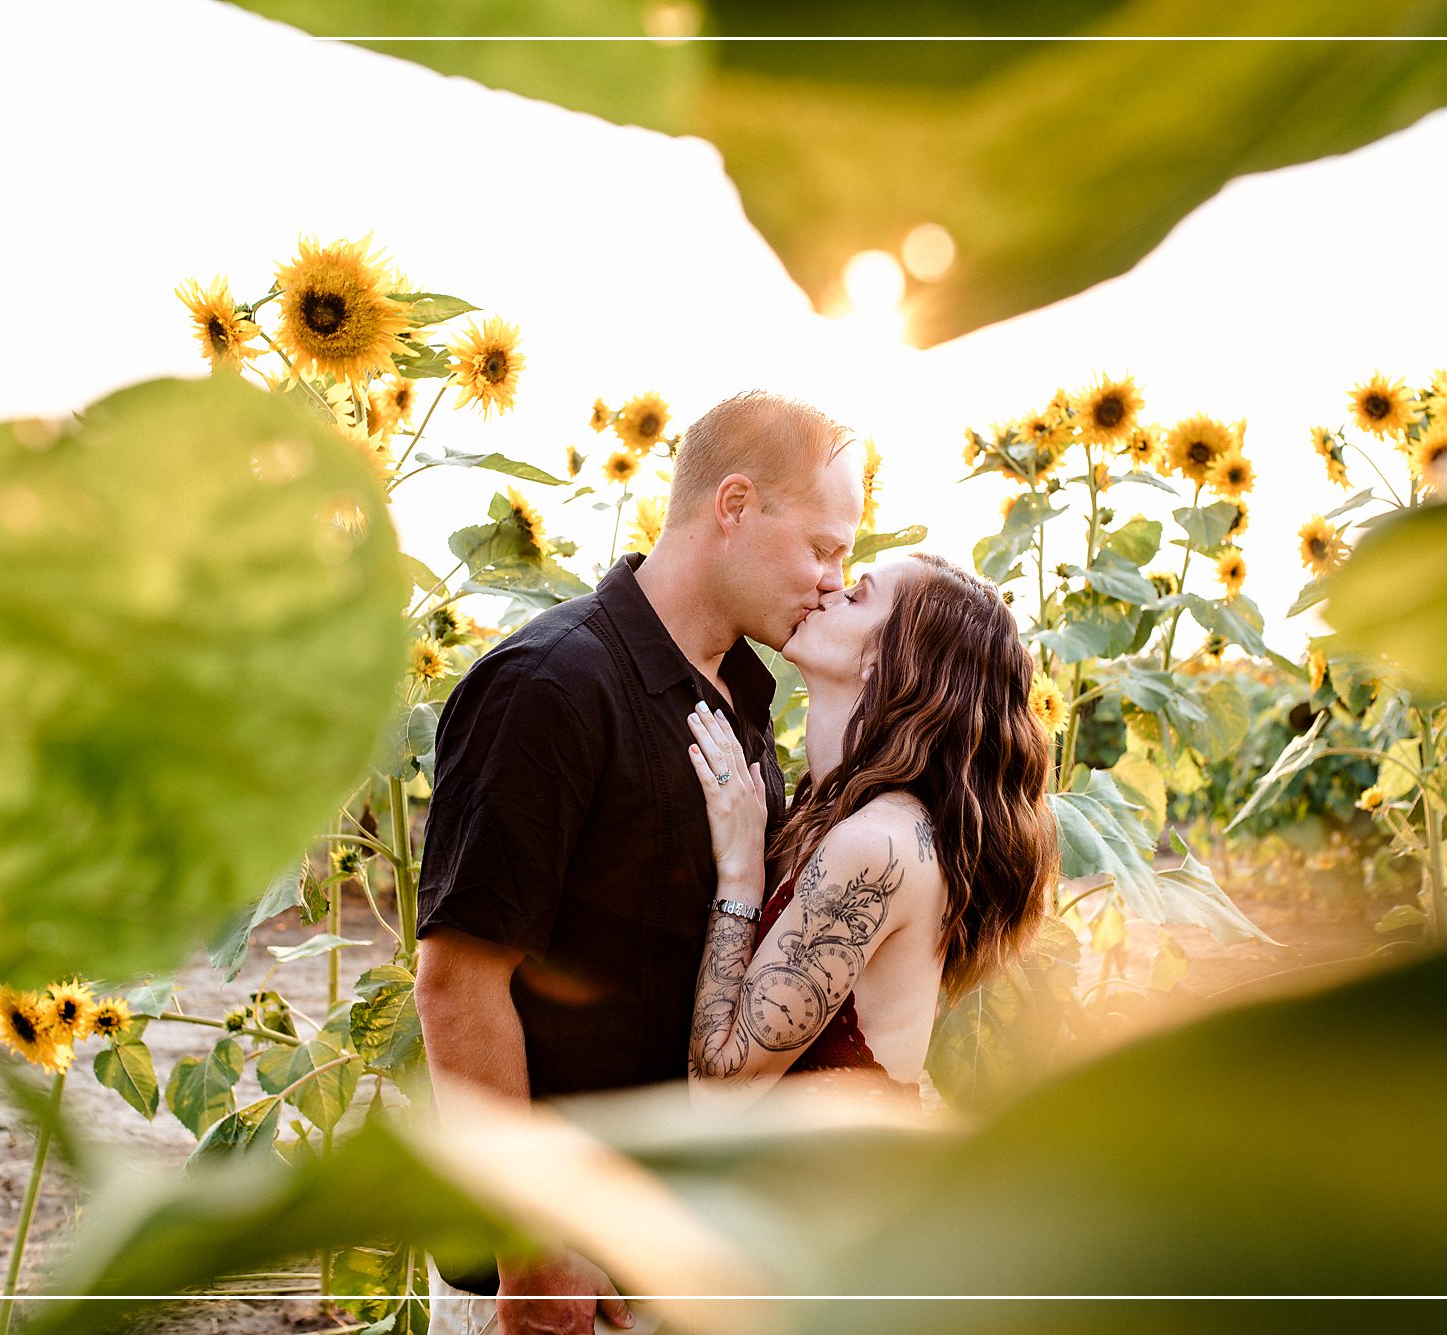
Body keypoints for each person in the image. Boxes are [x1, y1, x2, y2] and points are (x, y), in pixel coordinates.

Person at [413, 390, 865, 1335]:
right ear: (733, 505)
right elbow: (458, 985)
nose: (834, 579)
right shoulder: (551, 684)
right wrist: (534, 1249)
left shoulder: (744, 700)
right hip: (549, 1268)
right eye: (823, 547)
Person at [682, 553, 1059, 1108]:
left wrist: (740, 874)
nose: (829, 589)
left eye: (857, 595)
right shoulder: (825, 805)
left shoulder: (879, 845)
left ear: (886, 661)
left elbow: (719, 1088)